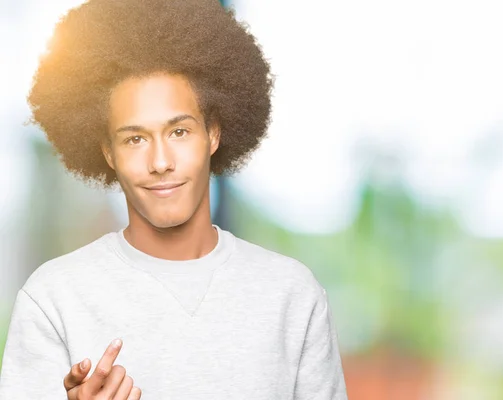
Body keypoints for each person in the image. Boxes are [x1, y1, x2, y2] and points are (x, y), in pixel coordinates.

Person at [0, 0, 348, 398]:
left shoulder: (292, 295)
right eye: (135, 139)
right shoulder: (54, 298)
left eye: (179, 132)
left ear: (212, 133)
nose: (160, 161)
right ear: (109, 152)